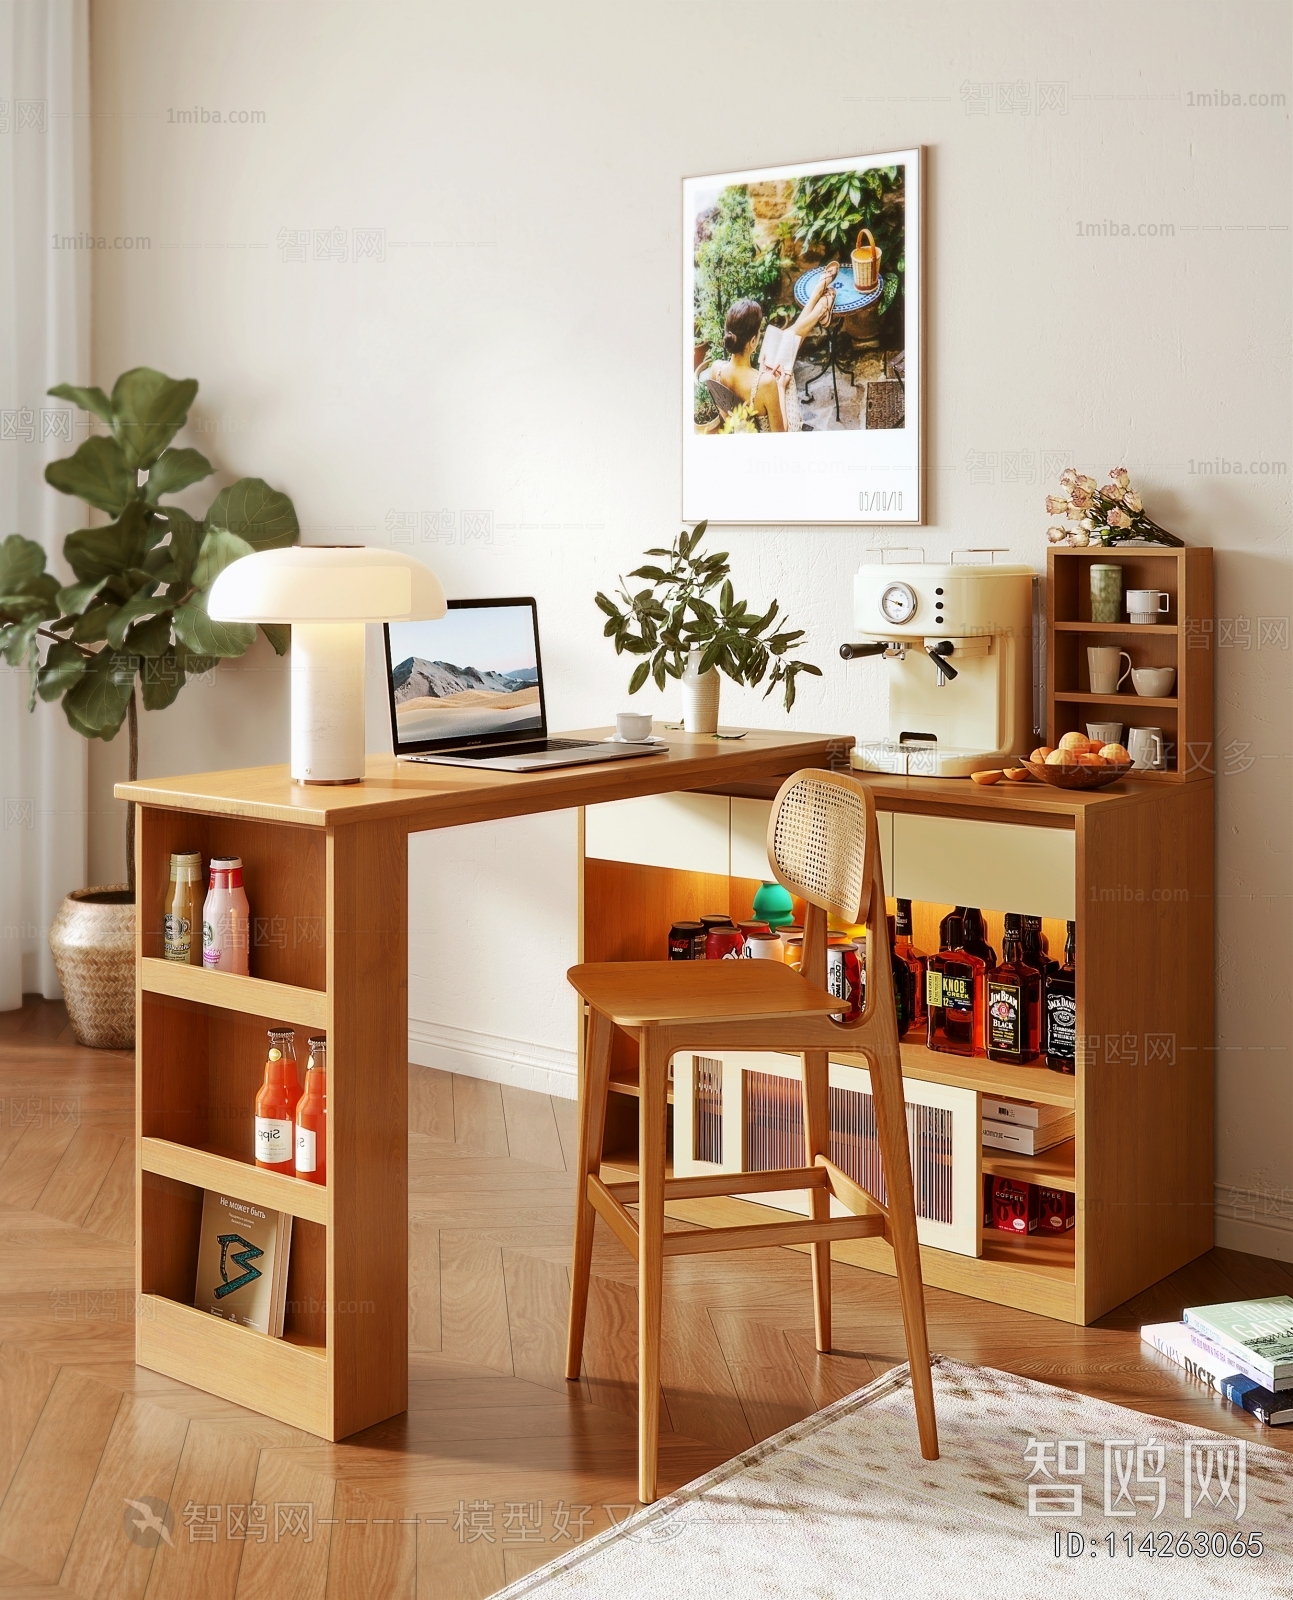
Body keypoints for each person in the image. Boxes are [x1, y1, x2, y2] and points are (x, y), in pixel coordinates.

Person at [700, 266, 838, 432]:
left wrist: (764, 376)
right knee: (786, 352)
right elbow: (781, 435)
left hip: (743, 430)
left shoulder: (716, 369)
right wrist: (780, 385)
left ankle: (818, 304)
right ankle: (820, 309)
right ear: (752, 341)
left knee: (787, 338)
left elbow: (726, 417)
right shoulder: (766, 383)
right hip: (772, 437)